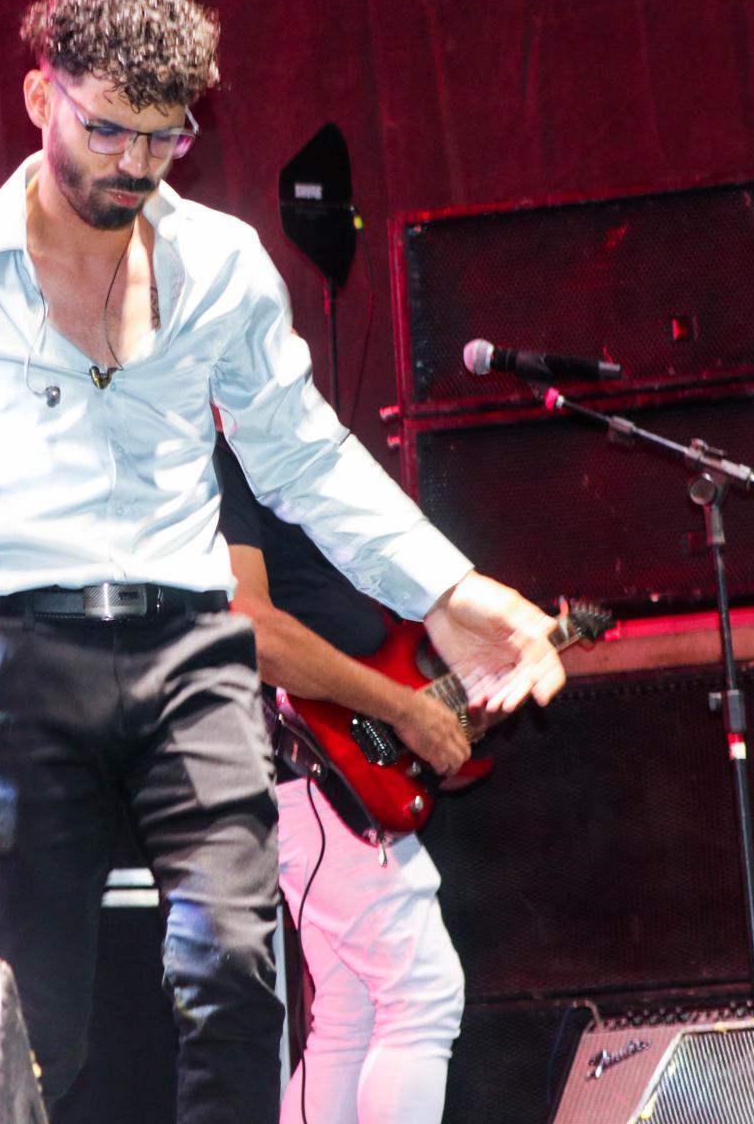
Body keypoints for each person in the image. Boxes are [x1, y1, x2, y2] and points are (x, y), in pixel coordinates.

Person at [0, 0, 564, 1123]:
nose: (134, 164)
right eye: (107, 130)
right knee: (44, 1017)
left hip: (193, 649)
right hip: (24, 656)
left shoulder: (224, 264)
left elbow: (304, 453)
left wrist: (448, 587)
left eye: (164, 137)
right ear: (40, 97)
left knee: (235, 968)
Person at [217, 433, 475, 1124]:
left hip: (320, 767)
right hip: (308, 764)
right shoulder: (216, 456)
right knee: (421, 995)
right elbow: (251, 628)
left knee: (351, 1009)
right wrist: (402, 710)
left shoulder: (274, 457)